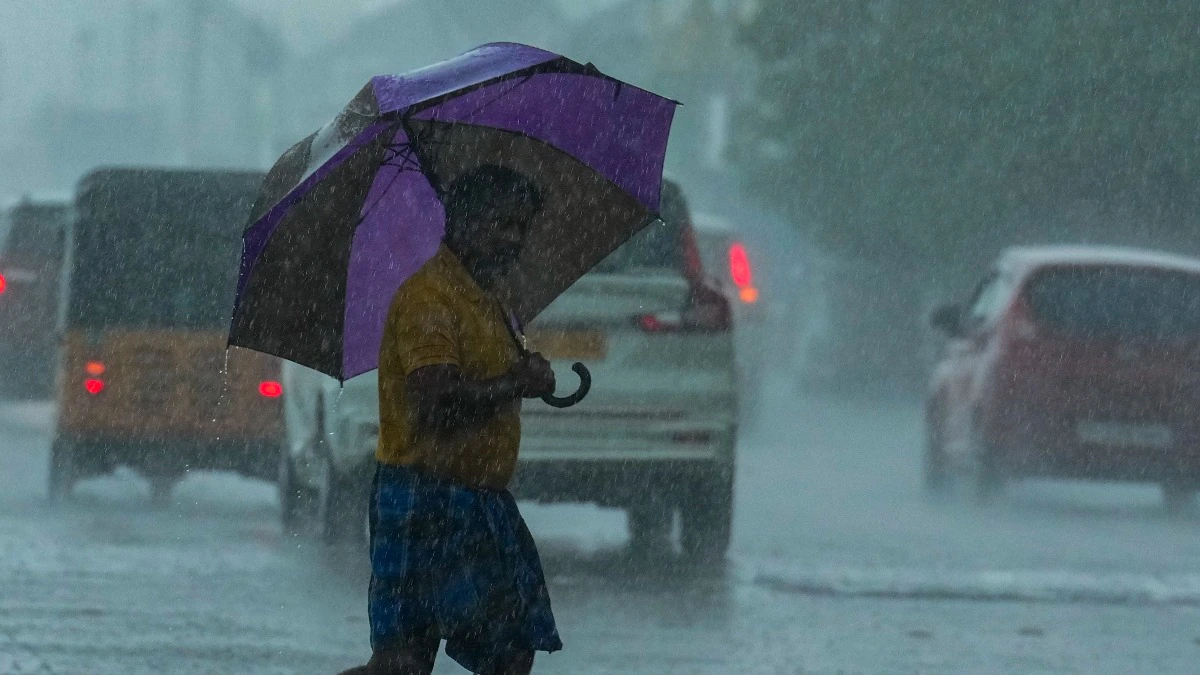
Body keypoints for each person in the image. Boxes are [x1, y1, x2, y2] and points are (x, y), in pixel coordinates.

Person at [340, 165, 561, 675]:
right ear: (460, 221)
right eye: (499, 224)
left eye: (520, 227)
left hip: (481, 499)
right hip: (423, 496)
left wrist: (527, 372)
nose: (513, 239)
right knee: (403, 664)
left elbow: (494, 377)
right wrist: (515, 384)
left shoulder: (489, 298)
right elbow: (436, 402)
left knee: (509, 650)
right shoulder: (429, 300)